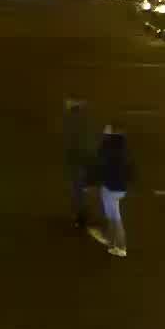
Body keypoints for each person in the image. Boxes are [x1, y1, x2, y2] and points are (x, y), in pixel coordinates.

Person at [91, 124, 134, 257]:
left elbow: (99, 160)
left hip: (110, 187)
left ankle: (119, 246)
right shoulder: (124, 147)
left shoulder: (107, 147)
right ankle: (112, 242)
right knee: (113, 216)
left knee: (114, 218)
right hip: (121, 188)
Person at [63, 98, 94, 231]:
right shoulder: (82, 122)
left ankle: (81, 216)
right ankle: (82, 215)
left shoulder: (72, 122)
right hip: (81, 159)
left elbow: (72, 142)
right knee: (80, 189)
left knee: (77, 190)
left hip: (77, 160)